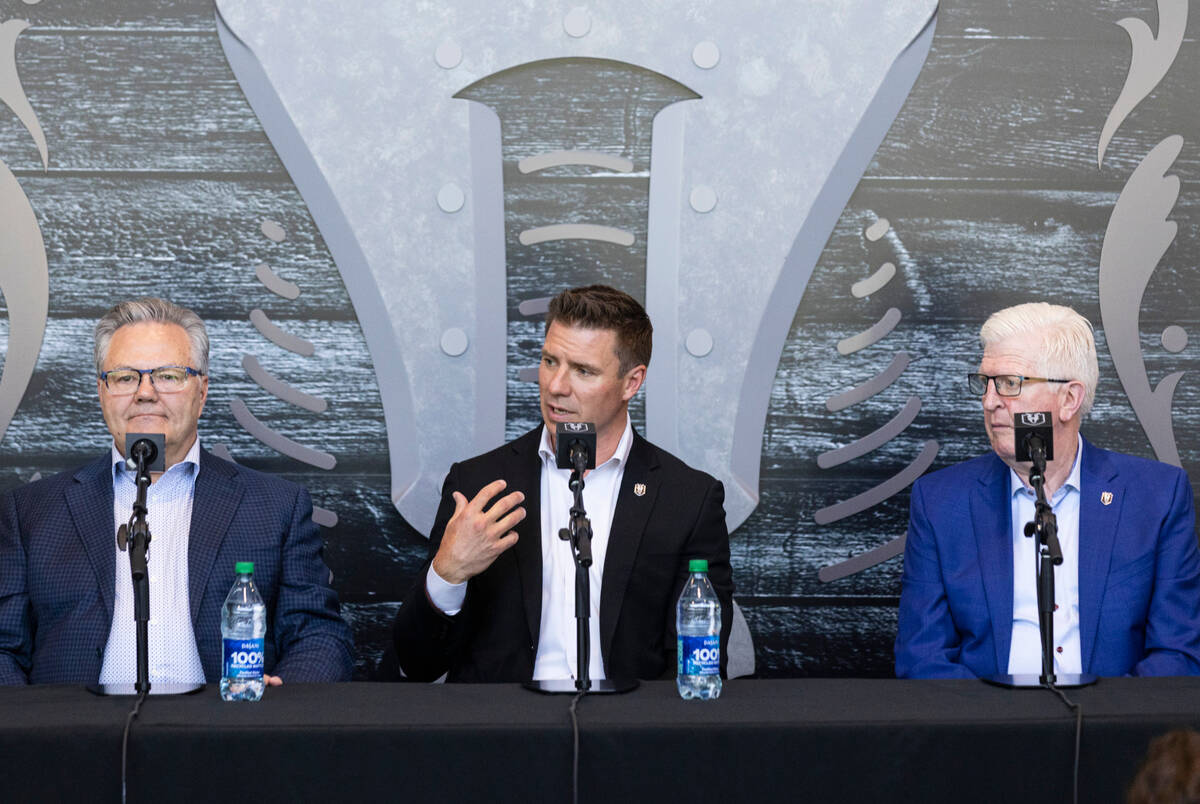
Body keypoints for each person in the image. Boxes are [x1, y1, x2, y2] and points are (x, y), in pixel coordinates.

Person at [0, 297, 354, 685]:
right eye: (124, 377)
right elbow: (4, 648)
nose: (146, 392)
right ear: (102, 393)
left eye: (168, 376)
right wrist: (35, 737)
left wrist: (271, 719)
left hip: (222, 735)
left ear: (201, 392)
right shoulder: (31, 511)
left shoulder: (276, 507)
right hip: (75, 738)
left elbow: (319, 635)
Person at [392, 285, 733, 682]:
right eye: (550, 361)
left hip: (629, 732)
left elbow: (698, 670)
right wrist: (447, 573)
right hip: (503, 733)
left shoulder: (688, 500)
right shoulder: (479, 485)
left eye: (583, 370)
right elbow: (417, 665)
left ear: (631, 382)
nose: (556, 386)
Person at [895, 302, 1200, 679]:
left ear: (1069, 399)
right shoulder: (941, 502)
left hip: (1113, 730)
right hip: (987, 728)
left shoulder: (1156, 497)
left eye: (1010, 384)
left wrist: (1097, 727)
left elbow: (1178, 653)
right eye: (985, 383)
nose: (990, 402)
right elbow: (922, 657)